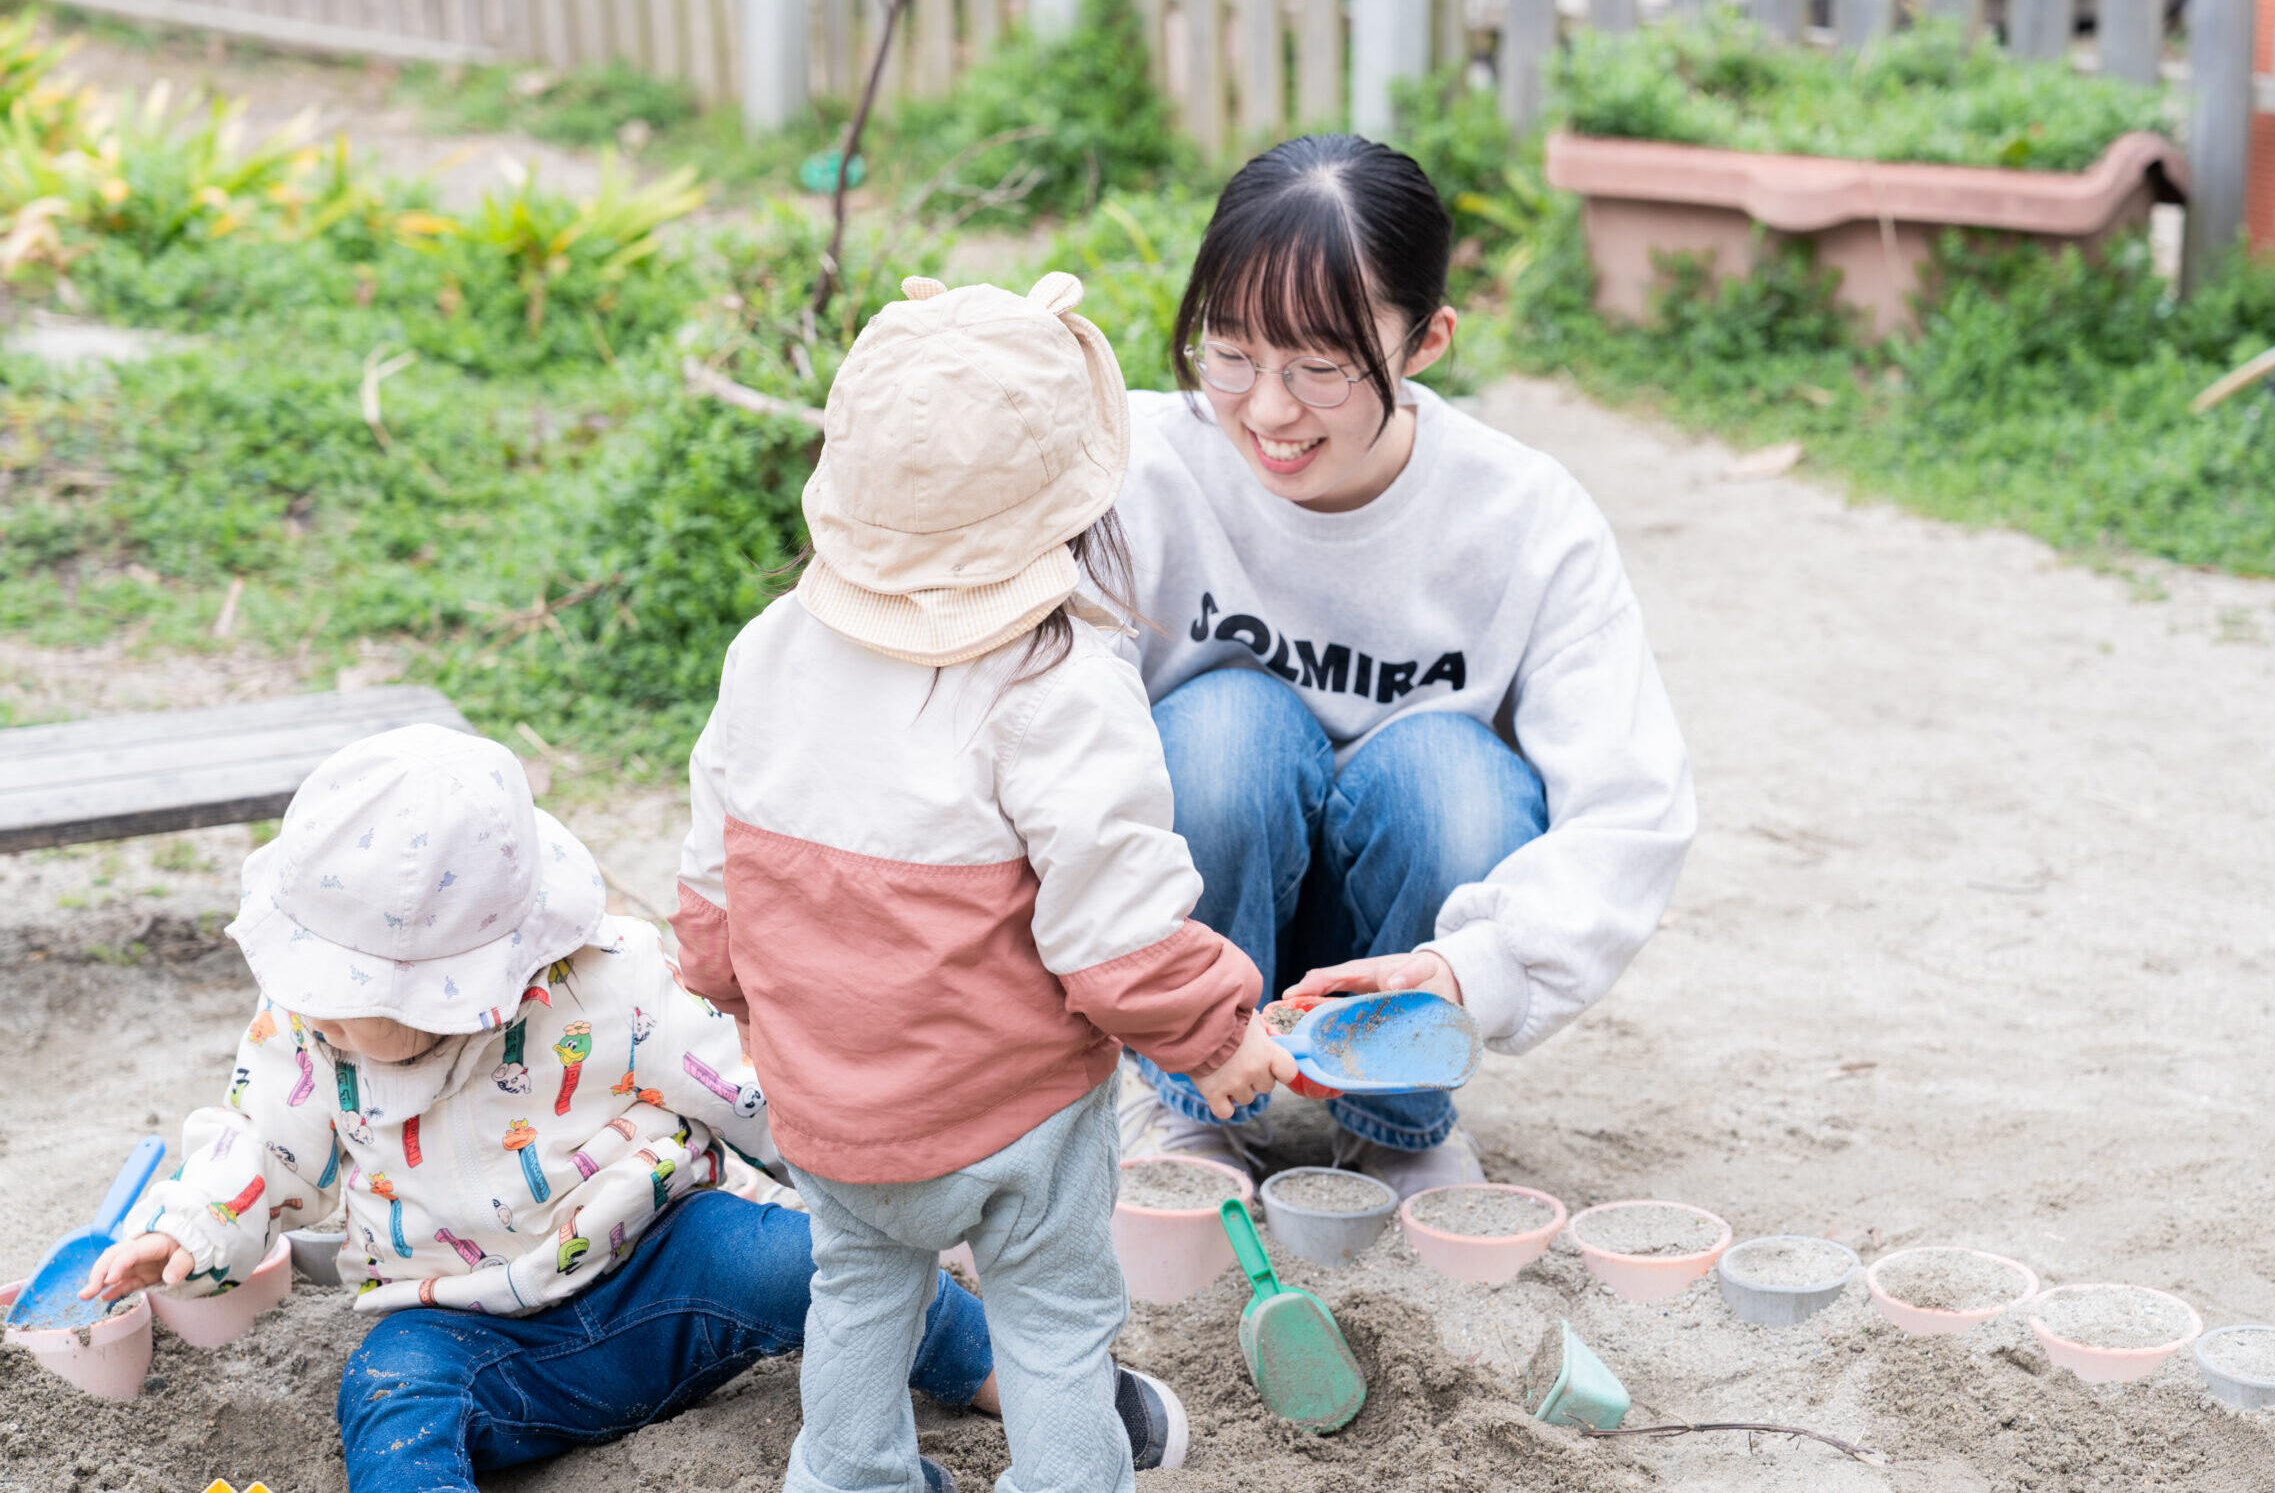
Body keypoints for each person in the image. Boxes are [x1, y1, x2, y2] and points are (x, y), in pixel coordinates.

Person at [673, 272, 1292, 1493]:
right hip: (1011, 1109)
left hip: (835, 1104)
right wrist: (1215, 1033)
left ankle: (848, 1476)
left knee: (856, 1291)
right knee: (1054, 1320)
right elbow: (1112, 929)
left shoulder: (773, 648)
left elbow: (712, 887)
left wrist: (742, 996)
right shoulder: (1059, 678)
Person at [77, 725, 1043, 1493]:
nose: (315, 1010)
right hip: (466, 1331)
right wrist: (193, 1230)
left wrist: (887, 1190)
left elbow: (756, 1094)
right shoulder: (306, 1021)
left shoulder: (612, 987)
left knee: (821, 1265)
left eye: (352, 998)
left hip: (666, 1266)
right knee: (386, 1394)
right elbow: (264, 1141)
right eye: (312, 982)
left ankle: (1033, 1394)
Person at [1113, 134, 1697, 1198]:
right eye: (1232, 352)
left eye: (1321, 368)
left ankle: (1395, 1116)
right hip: (1202, 926)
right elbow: (1054, 739)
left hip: (1405, 935)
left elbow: (1635, 804)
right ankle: (1182, 1102)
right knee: (1222, 730)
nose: (1270, 410)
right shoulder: (1144, 468)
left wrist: (1467, 972)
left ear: (1427, 340)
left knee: (1449, 771)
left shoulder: (1523, 516)